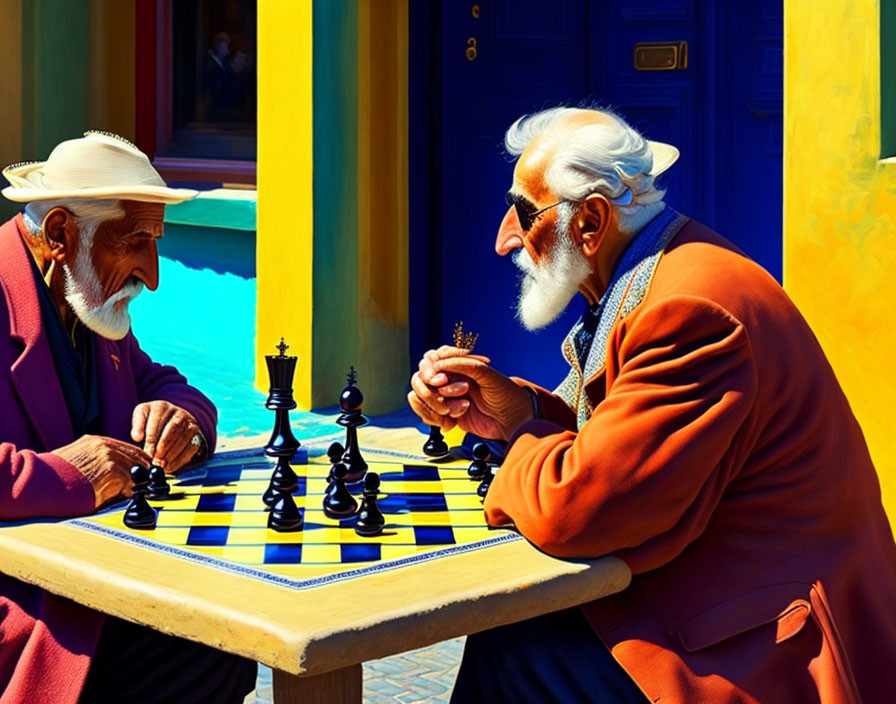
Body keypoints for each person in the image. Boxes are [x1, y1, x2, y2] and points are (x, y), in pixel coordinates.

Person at [408, 107, 896, 703]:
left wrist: (525, 442)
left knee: (516, 649)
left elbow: (578, 513)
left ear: (590, 221)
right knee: (515, 633)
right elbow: (624, 436)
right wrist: (516, 411)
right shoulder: (659, 271)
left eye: (525, 212)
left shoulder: (690, 311)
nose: (506, 236)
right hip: (722, 593)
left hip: (765, 642)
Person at [0, 132, 257, 703]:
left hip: (90, 590)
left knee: (224, 654)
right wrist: (67, 476)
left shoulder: (84, 297)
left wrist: (183, 418)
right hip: (24, 612)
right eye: (136, 240)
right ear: (63, 233)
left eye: (155, 242)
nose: (153, 273)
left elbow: (162, 383)